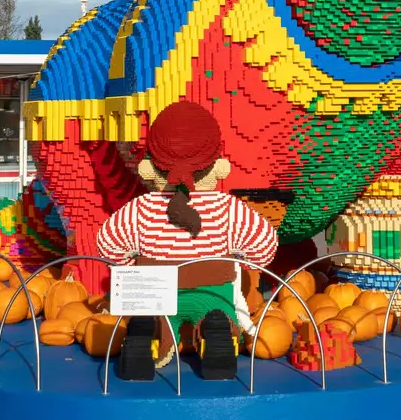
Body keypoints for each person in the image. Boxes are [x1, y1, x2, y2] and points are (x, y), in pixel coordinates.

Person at [96, 101, 279, 381]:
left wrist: (130, 265)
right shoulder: (227, 208)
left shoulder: (142, 208)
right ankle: (216, 326)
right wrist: (241, 261)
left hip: (153, 292)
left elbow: (108, 243)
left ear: (148, 169)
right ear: (219, 168)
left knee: (151, 318)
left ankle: (151, 331)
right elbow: (264, 246)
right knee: (217, 311)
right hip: (212, 290)